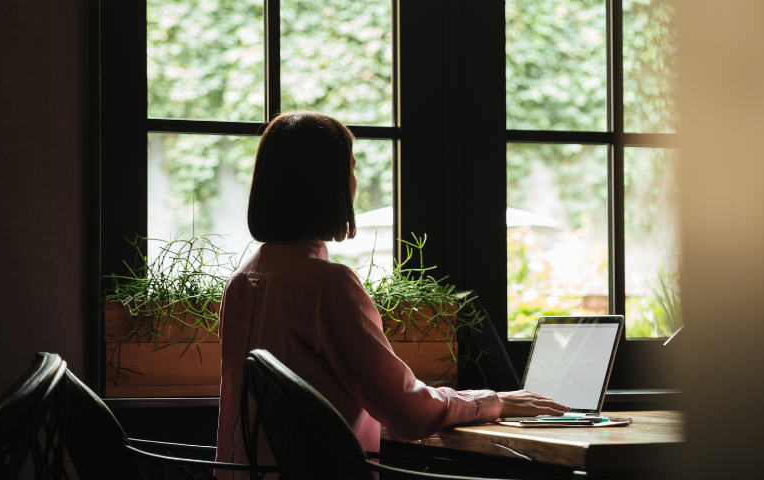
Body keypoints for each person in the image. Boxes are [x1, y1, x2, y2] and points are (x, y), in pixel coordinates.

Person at [214, 111, 569, 477]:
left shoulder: (240, 282)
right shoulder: (327, 286)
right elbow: (408, 412)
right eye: (349, 170)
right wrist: (494, 402)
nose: (353, 182)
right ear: (325, 183)